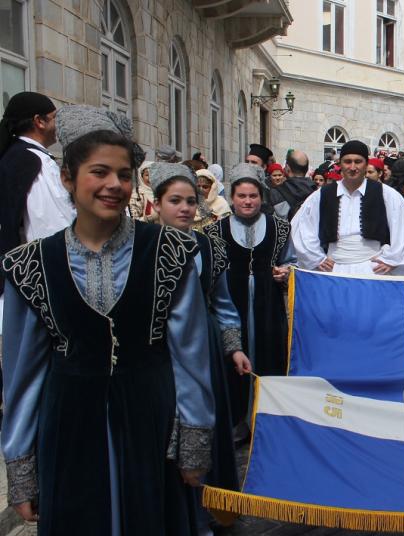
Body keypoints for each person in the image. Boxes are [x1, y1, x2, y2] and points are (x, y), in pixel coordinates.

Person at [1, 105, 214, 533]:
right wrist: (21, 465)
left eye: (123, 174)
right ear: (68, 177)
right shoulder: (31, 264)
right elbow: (22, 374)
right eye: (99, 172)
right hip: (68, 422)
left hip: (151, 418)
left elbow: (190, 354)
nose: (114, 184)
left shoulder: (170, 250)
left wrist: (194, 437)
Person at [150, 162, 251, 535]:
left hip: (203, 349)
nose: (184, 208)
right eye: (175, 201)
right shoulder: (141, 248)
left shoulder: (209, 247)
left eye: (190, 201)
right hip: (157, 351)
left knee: (204, 429)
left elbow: (223, 305)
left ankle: (209, 507)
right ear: (157, 203)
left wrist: (233, 348)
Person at [204, 163, 294, 433]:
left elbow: (291, 263)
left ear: (261, 197)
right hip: (231, 306)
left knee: (270, 357)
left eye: (253, 196)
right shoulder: (215, 231)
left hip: (269, 308)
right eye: (241, 196)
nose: (247, 201)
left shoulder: (280, 228)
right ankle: (237, 421)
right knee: (233, 360)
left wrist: (286, 273)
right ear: (232, 198)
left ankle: (267, 421)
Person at [293, 140, 404, 275]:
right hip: (334, 270)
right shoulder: (322, 194)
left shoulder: (385, 193)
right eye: (347, 161)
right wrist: (316, 258)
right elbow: (303, 227)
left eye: (358, 162)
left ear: (366, 164)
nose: (352, 167)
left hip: (372, 270)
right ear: (340, 164)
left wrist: (392, 259)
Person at [0, 91, 75, 253]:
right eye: (54, 117)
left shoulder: (13, 155)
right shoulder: (35, 161)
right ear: (39, 121)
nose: (58, 124)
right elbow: (50, 226)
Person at [269, 151, 314, 220]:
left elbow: (280, 220)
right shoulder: (318, 191)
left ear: (287, 167)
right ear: (307, 169)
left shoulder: (276, 192)